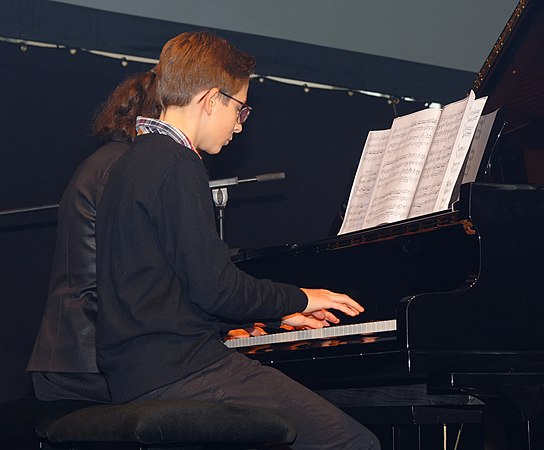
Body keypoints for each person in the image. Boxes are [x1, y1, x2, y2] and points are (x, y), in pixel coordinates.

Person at [94, 31, 380, 450]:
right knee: (354, 443)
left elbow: (170, 297)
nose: (240, 126)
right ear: (212, 100)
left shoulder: (129, 163)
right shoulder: (177, 163)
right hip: (183, 373)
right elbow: (217, 289)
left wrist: (274, 317)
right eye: (240, 109)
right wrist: (303, 298)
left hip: (139, 374)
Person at [26, 71, 160, 402]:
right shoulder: (129, 168)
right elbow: (143, 279)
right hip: (95, 364)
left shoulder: (102, 162)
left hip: (67, 357)